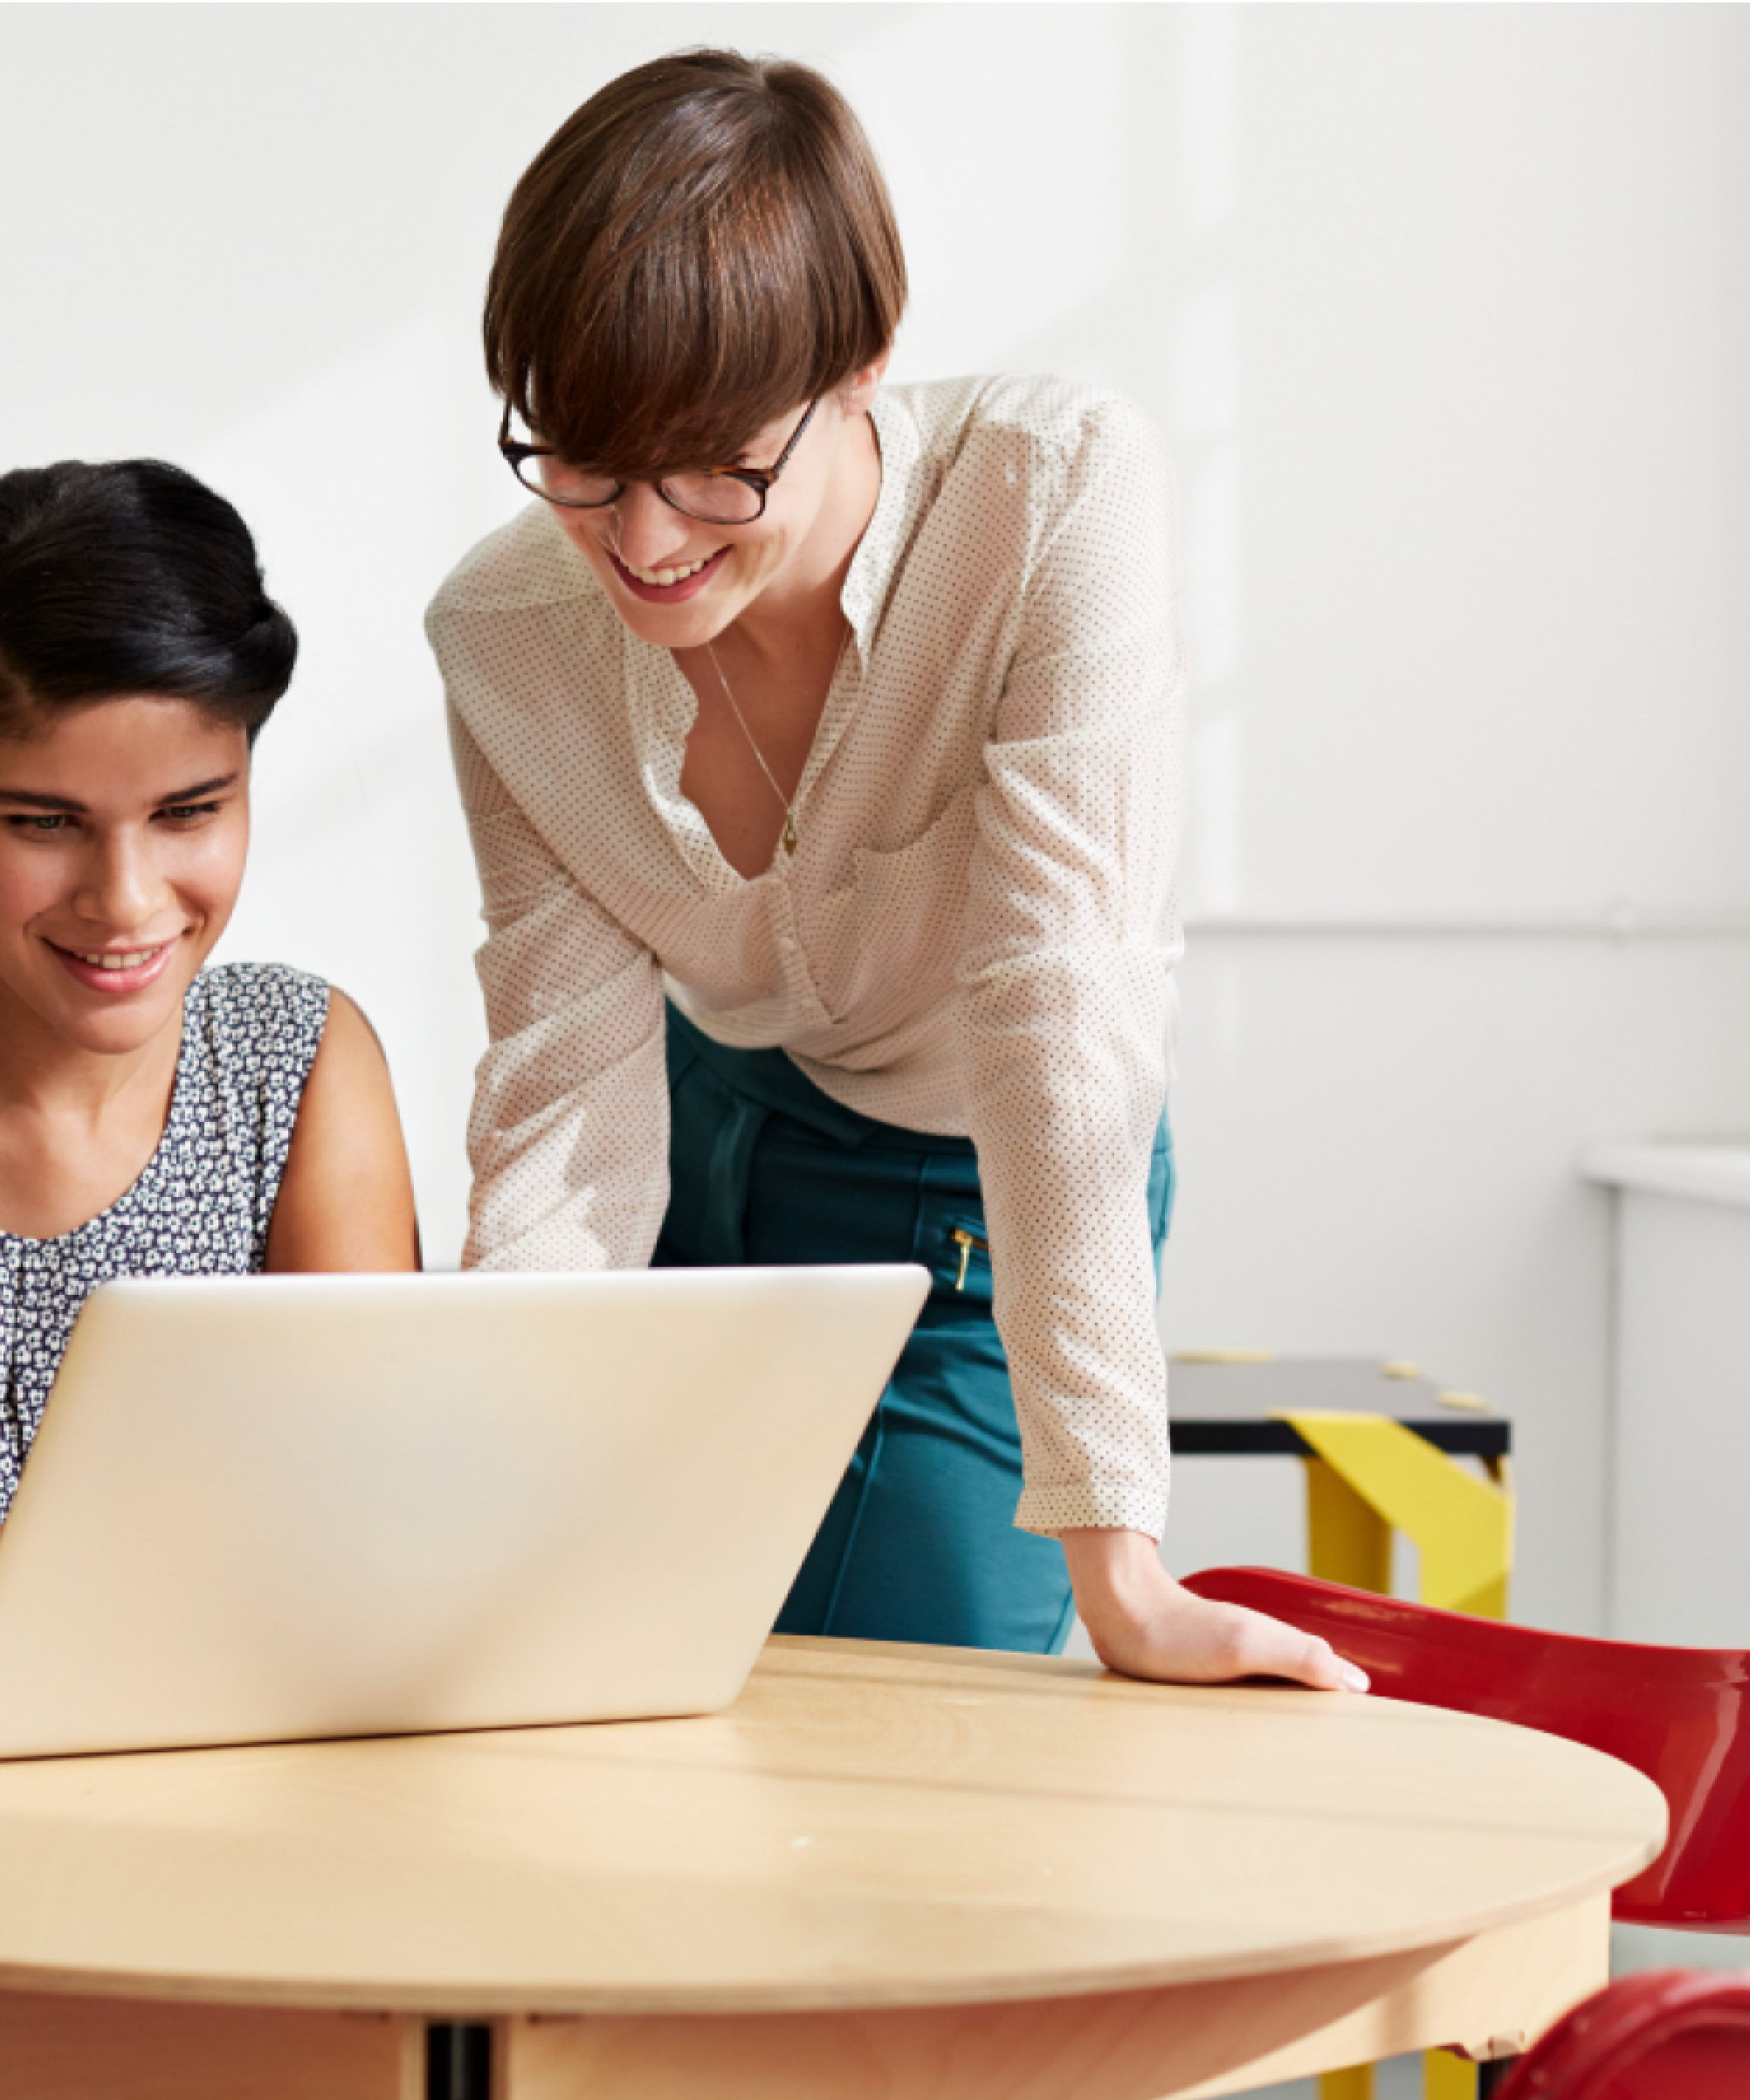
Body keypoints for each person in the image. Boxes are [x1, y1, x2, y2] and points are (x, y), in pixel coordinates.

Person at [429, 51, 1362, 1692]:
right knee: (590, 1682)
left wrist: (1120, 1570)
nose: (642, 539)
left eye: (715, 465)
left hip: (968, 1186)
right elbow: (567, 1094)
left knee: (907, 1732)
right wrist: (501, 1479)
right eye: (578, 460)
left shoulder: (1045, 499)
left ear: (862, 365)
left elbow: (1057, 1018)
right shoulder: (506, 639)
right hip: (694, 1140)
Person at [0, 458, 420, 1521]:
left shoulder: (292, 1063)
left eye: (188, 811)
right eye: (44, 822)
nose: (127, 900)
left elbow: (366, 1512)